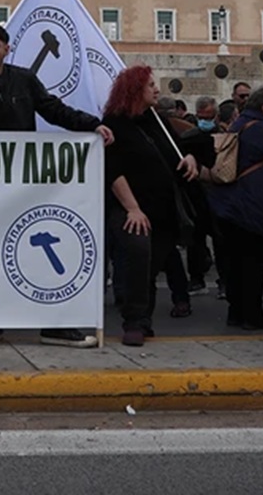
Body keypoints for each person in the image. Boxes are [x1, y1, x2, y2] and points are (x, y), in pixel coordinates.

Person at [0, 22, 114, 348]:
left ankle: (55, 325)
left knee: (33, 254)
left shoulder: (24, 81)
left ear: (6, 50)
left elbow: (53, 110)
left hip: (23, 188)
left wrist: (92, 125)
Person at [101, 65, 197, 346]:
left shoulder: (157, 120)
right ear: (135, 90)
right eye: (150, 85)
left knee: (152, 266)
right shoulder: (115, 122)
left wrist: (190, 158)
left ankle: (145, 321)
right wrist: (132, 208)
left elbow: (178, 149)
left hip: (163, 208)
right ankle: (134, 321)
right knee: (138, 260)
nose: (157, 89)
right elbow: (113, 169)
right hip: (131, 207)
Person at [205, 86, 263, 331]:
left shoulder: (238, 124)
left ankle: (236, 312)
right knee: (254, 261)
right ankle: (253, 315)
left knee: (234, 261)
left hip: (228, 201)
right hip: (252, 203)